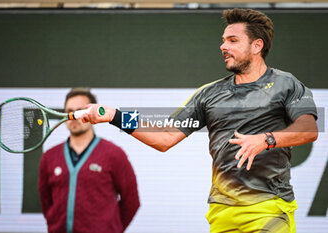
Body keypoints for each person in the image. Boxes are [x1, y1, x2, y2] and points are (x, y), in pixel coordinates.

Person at [81, 9, 318, 233]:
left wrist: (266, 140)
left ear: (257, 45)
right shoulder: (208, 94)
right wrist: (114, 115)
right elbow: (165, 137)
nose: (223, 46)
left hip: (270, 209)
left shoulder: (287, 84)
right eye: (223, 40)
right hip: (222, 212)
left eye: (233, 40)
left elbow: (308, 129)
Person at [38, 88, 140, 233]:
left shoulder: (114, 154)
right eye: (70, 111)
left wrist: (111, 228)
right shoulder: (49, 157)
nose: (73, 116)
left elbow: (131, 201)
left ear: (93, 116)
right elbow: (46, 201)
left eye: (79, 111)